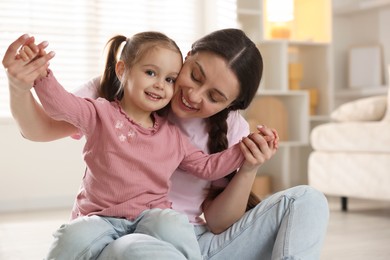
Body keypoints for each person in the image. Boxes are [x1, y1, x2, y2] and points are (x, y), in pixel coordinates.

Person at [3, 29, 328, 260]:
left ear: (231, 105)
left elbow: (216, 218)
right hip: (117, 236)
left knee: (308, 200)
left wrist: (248, 165)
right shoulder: (115, 95)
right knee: (130, 249)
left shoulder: (218, 131)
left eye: (215, 97)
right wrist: (24, 84)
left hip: (189, 242)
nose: (193, 96)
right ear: (186, 57)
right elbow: (42, 126)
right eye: (195, 76)